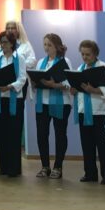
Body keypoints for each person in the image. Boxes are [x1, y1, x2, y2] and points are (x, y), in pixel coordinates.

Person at [69, 40, 105, 184]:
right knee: (87, 144)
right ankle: (90, 173)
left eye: (88, 54)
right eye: (82, 54)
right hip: (84, 112)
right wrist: (74, 90)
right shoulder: (80, 68)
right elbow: (79, 88)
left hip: (100, 112)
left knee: (103, 145)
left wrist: (93, 90)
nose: (84, 57)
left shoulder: (103, 66)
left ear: (95, 54)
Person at [30, 33, 72, 179]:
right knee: (42, 134)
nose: (46, 47)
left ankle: (58, 167)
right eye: (45, 44)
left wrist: (54, 85)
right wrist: (34, 82)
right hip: (43, 102)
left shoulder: (65, 61)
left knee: (60, 134)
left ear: (57, 46)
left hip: (61, 102)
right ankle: (45, 166)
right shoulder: (41, 62)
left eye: (50, 45)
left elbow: (69, 82)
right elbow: (36, 81)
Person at [0, 32, 29, 177]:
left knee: (14, 134)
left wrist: (9, 86)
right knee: (2, 133)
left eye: (5, 42)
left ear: (12, 43)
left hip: (14, 100)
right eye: (1, 42)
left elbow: (22, 79)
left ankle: (14, 169)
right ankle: (4, 167)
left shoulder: (20, 58)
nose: (3, 45)